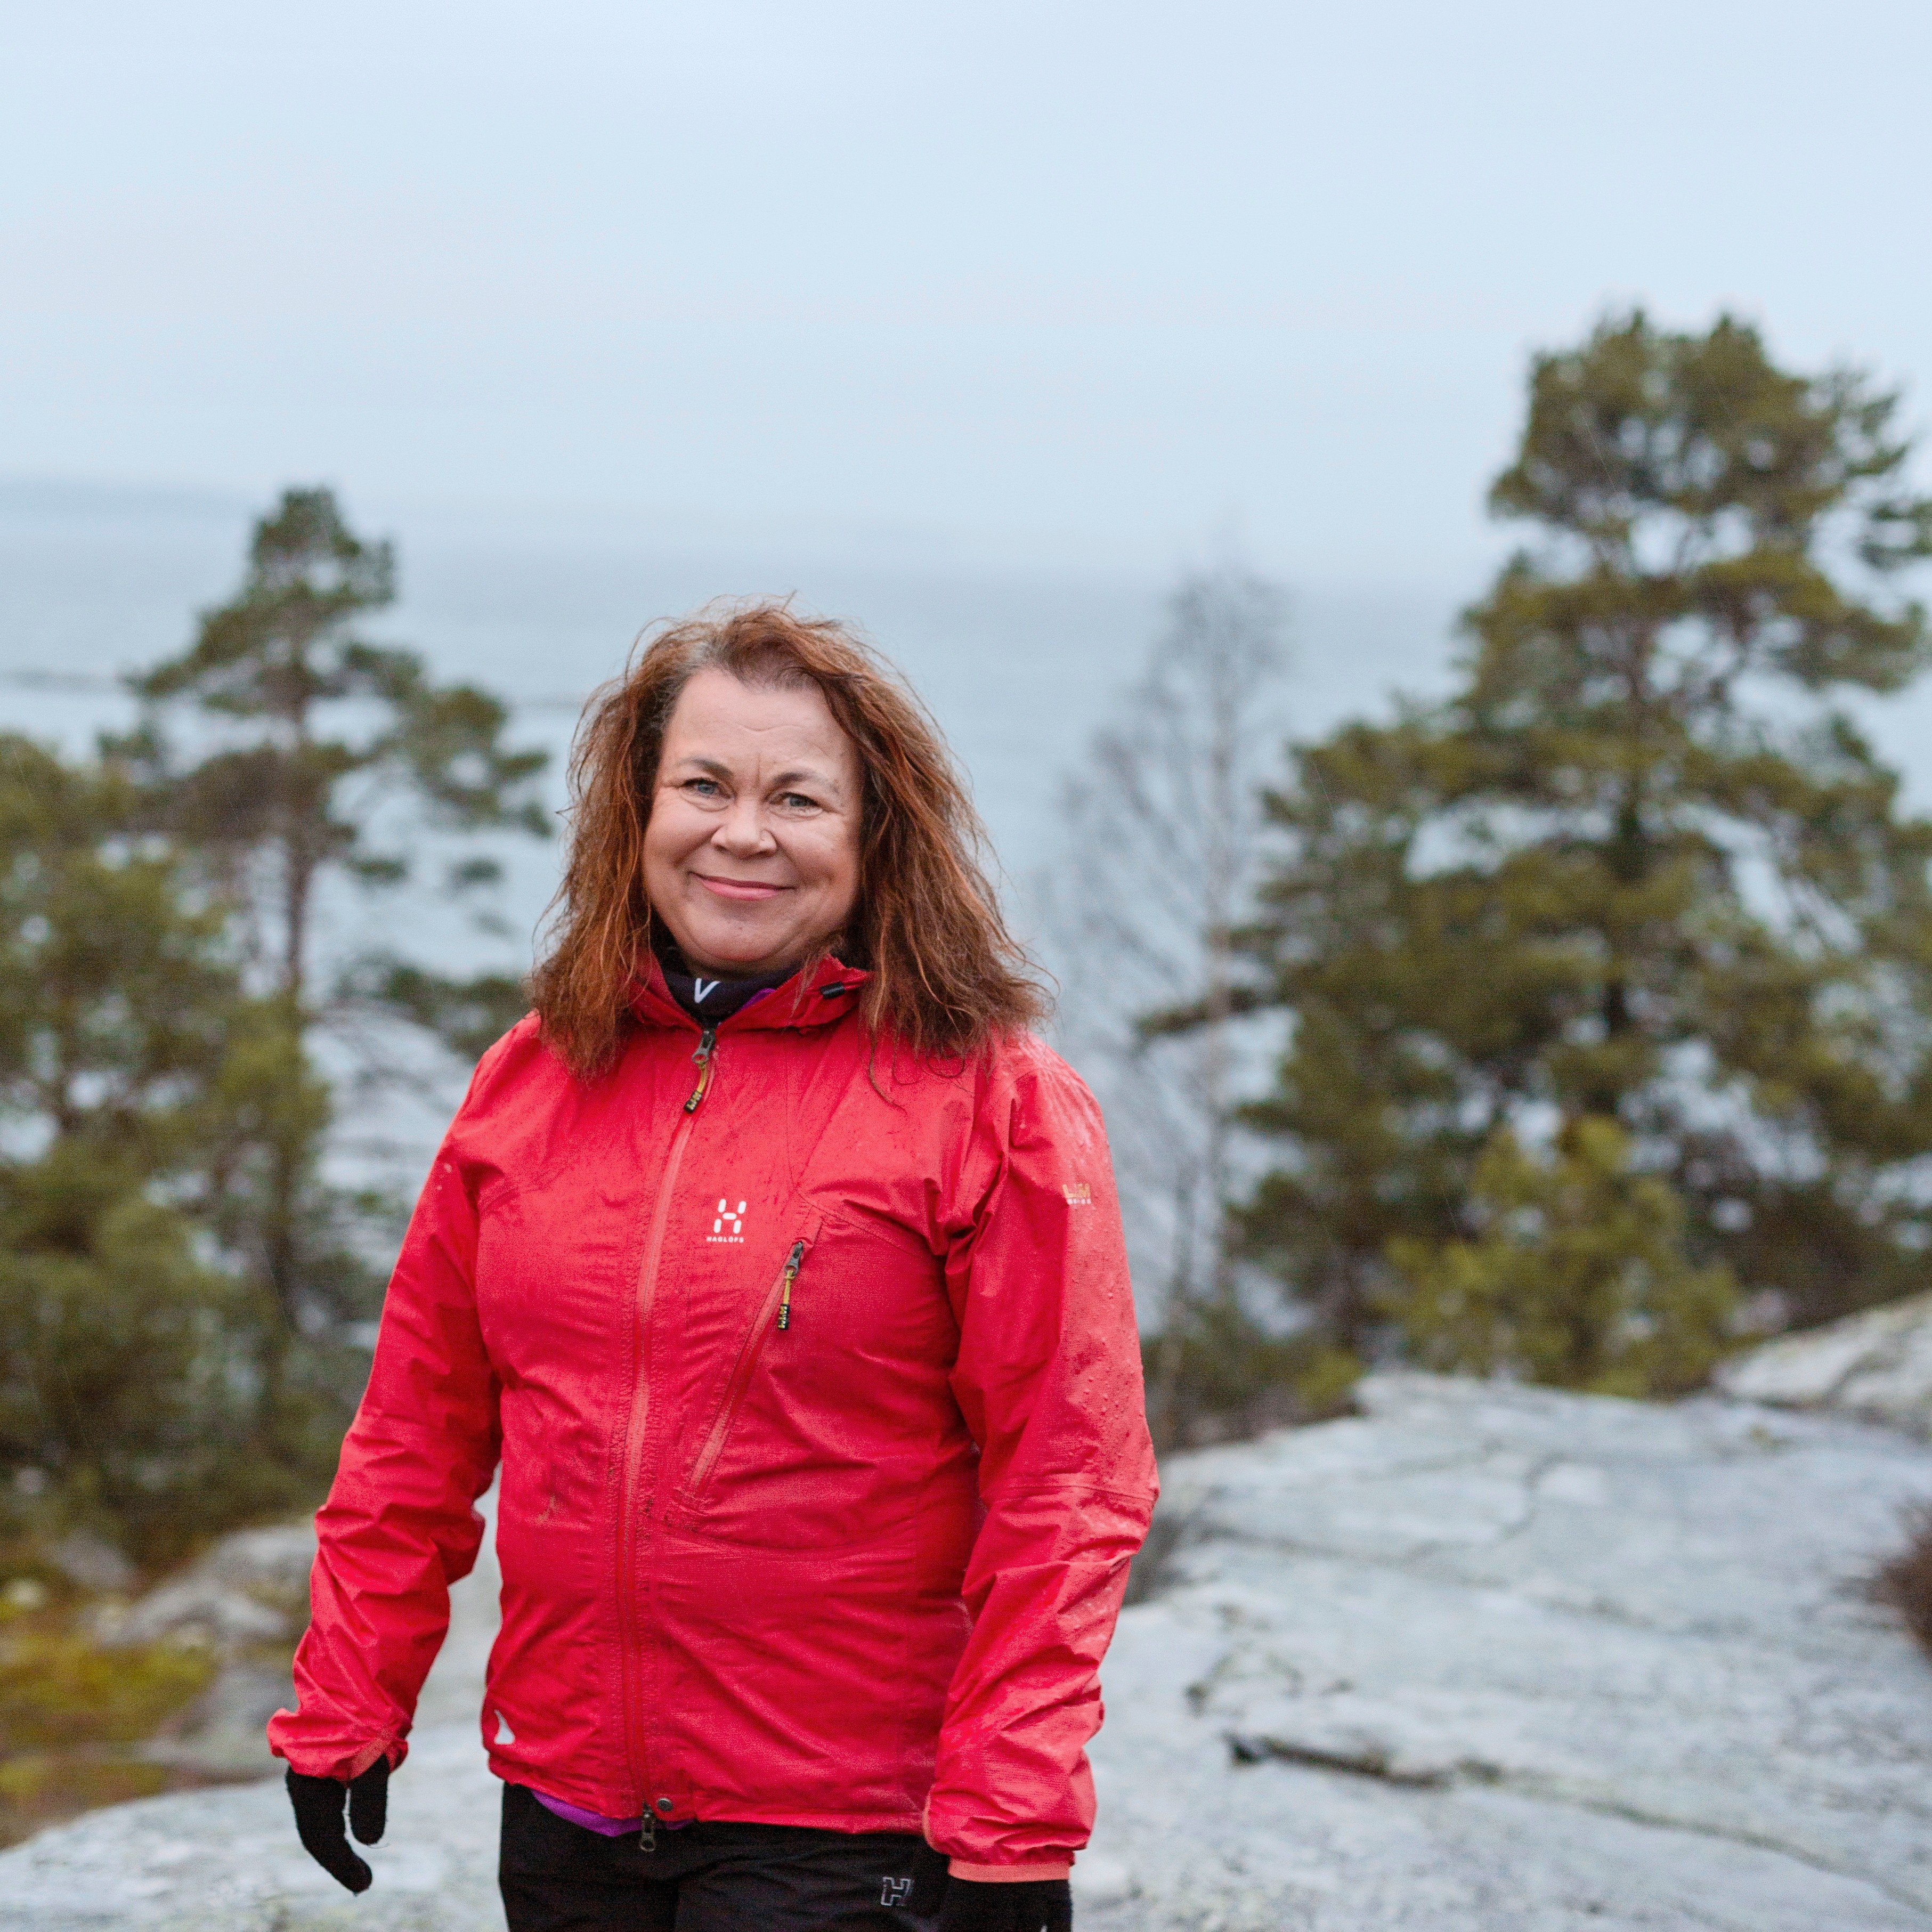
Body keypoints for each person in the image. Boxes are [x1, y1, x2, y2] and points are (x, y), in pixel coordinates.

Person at [271, 602, 1158, 1931]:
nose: (742, 832)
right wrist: (349, 1691)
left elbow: (1067, 1485)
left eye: (798, 798)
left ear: (872, 841)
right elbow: (417, 1429)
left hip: (841, 1830)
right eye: (704, 785)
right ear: (638, 816)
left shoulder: (992, 1101)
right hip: (566, 1810)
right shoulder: (531, 1078)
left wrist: (1013, 1821)